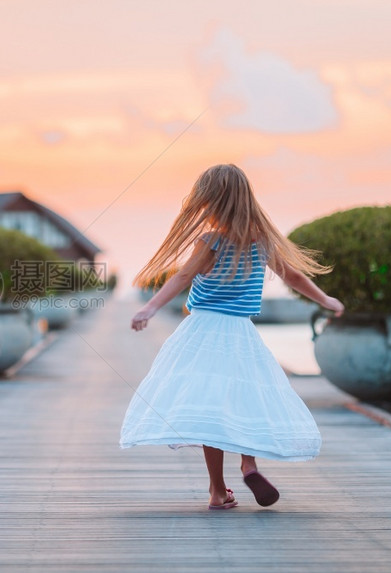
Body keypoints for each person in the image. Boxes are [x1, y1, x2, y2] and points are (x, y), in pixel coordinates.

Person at [120, 164, 344, 510]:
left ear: (209, 202)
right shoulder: (263, 243)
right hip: (241, 332)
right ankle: (249, 464)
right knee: (244, 398)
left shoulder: (210, 241)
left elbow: (181, 278)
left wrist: (149, 308)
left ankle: (217, 491)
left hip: (203, 331)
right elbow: (295, 277)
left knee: (212, 410)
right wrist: (326, 300)